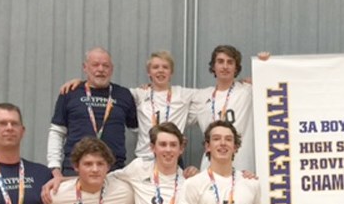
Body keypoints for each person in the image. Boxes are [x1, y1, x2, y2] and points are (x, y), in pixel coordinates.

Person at [59, 51, 206, 165]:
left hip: (172, 158)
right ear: (149, 72)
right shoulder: (137, 94)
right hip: (144, 159)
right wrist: (80, 83)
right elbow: (106, 91)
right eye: (155, 67)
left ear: (171, 72)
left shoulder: (184, 94)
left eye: (165, 67)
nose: (160, 71)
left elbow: (213, 94)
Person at [47, 47, 138, 177]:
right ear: (85, 67)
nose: (100, 69)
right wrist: (54, 168)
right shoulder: (70, 92)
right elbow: (57, 131)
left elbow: (140, 131)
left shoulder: (124, 94)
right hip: (74, 171)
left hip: (113, 173)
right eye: (95, 65)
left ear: (111, 69)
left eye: (105, 65)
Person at [197, 45, 256, 174]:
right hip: (210, 167)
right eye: (220, 61)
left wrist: (264, 63)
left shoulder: (248, 91)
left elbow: (278, 82)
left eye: (230, 62)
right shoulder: (200, 97)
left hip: (242, 167)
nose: (225, 66)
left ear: (236, 68)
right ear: (213, 66)